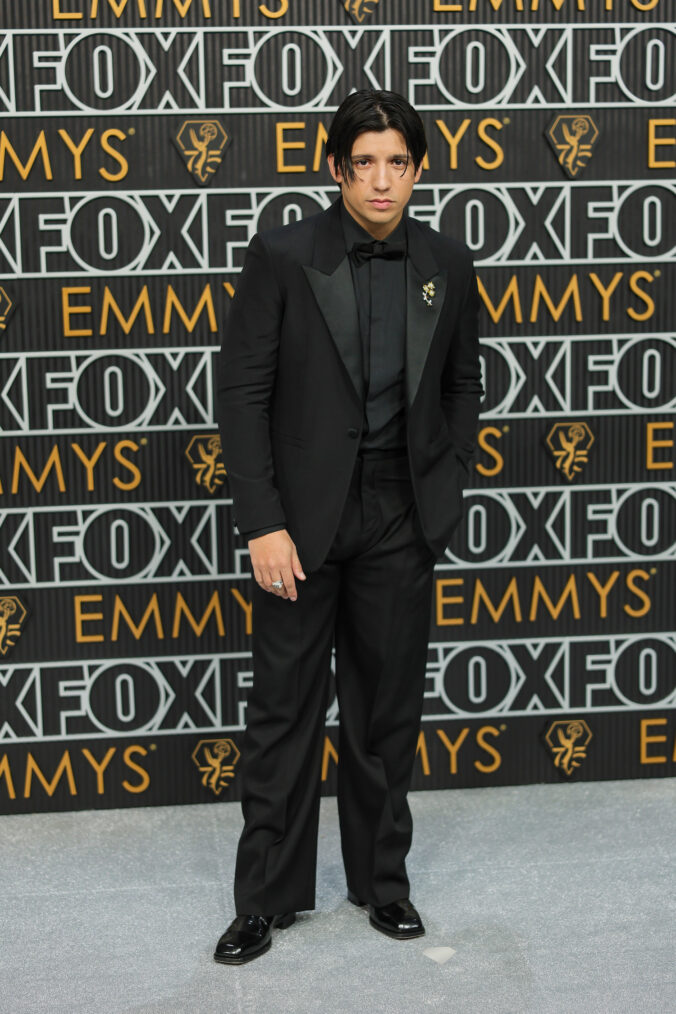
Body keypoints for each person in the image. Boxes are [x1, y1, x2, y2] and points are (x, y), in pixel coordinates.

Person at [213, 89, 483, 964]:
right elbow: (244, 394)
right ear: (335, 169)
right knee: (285, 712)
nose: (380, 180)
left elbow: (461, 384)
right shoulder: (284, 255)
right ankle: (265, 901)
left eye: (396, 163)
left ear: (417, 170)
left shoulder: (447, 258)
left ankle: (382, 885)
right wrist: (263, 523)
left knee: (383, 715)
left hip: (400, 514)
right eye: (363, 163)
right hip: (299, 520)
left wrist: (442, 485)